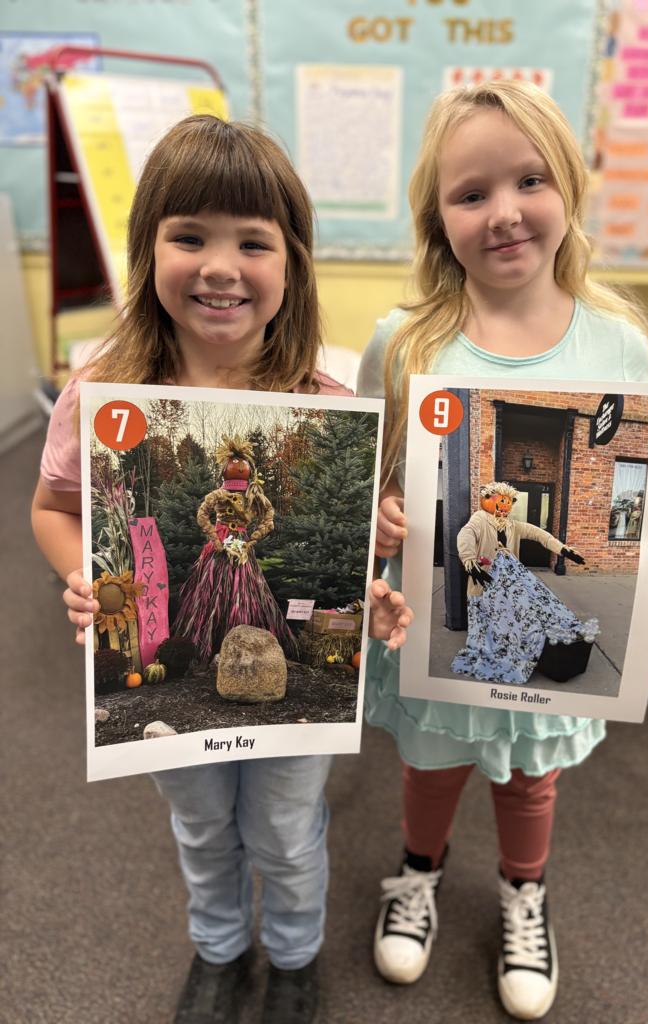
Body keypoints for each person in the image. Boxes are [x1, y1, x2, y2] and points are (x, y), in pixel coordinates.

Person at [31, 115, 412, 1024]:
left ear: (292, 264)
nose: (219, 266)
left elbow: (359, 544)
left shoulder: (324, 403)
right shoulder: (103, 389)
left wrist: (377, 585)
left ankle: (293, 959)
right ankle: (218, 948)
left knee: (284, 831)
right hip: (207, 575)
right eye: (188, 235)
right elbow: (55, 511)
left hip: (257, 591)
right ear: (147, 249)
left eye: (253, 241)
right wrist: (78, 576)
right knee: (201, 823)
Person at [356, 81, 648, 1021]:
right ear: (439, 216)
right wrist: (381, 515)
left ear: (569, 188)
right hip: (434, 624)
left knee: (533, 770)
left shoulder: (618, 345)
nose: (503, 213)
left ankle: (523, 893)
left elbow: (631, 493)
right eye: (470, 194)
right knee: (429, 762)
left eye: (529, 180)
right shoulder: (405, 340)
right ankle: (417, 872)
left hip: (524, 605)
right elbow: (380, 481)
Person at [452, 481, 596, 685]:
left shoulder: (512, 525)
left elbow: (539, 534)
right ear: (488, 500)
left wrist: (563, 549)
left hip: (511, 580)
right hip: (485, 579)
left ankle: (524, 645)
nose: (505, 506)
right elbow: (466, 535)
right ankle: (500, 647)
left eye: (509, 502)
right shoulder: (480, 519)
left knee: (522, 609)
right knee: (493, 616)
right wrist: (469, 560)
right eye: (501, 501)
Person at [173, 432, 298, 665]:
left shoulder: (254, 495)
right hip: (220, 548)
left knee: (247, 589)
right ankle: (209, 647)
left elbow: (269, 518)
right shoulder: (219, 494)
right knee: (213, 593)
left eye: (242, 464)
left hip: (242, 548)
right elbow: (202, 515)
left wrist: (253, 539)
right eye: (235, 464)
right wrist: (216, 540)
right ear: (226, 468)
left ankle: (244, 644)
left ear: (248, 468)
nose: (239, 467)